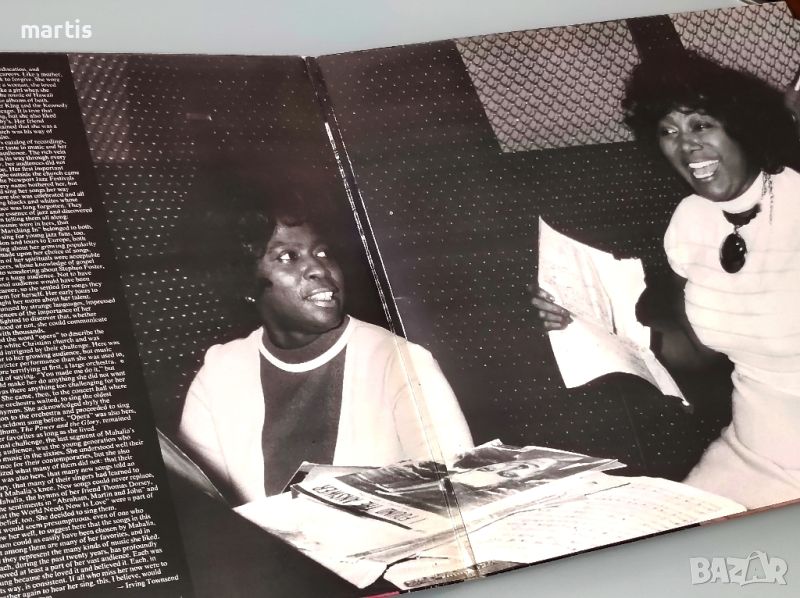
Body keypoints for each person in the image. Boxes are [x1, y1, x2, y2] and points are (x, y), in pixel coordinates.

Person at [532, 51, 800, 509]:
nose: (686, 145)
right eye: (668, 132)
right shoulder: (688, 221)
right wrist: (591, 324)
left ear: (742, 126)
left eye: (701, 125)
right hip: (753, 447)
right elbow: (699, 352)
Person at [177, 192, 473, 505]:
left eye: (322, 252)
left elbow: (462, 496)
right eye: (288, 257)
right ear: (241, 279)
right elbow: (200, 507)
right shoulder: (219, 372)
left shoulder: (401, 362)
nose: (319, 269)